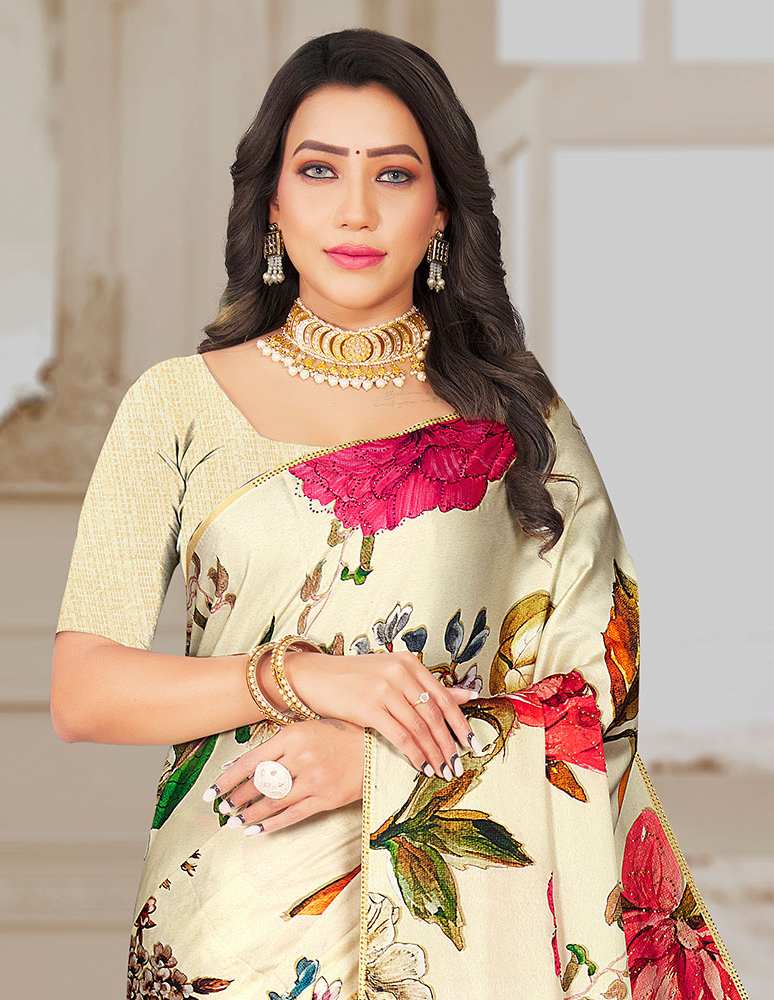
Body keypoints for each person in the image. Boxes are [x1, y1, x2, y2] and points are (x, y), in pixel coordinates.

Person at [51, 27, 747, 1000]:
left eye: (392, 174)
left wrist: (380, 763)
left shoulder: (516, 418)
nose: (354, 208)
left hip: (457, 946)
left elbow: (600, 692)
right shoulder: (177, 405)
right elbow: (83, 691)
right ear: (272, 201)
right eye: (318, 169)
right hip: (230, 926)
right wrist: (301, 677)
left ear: (442, 210)